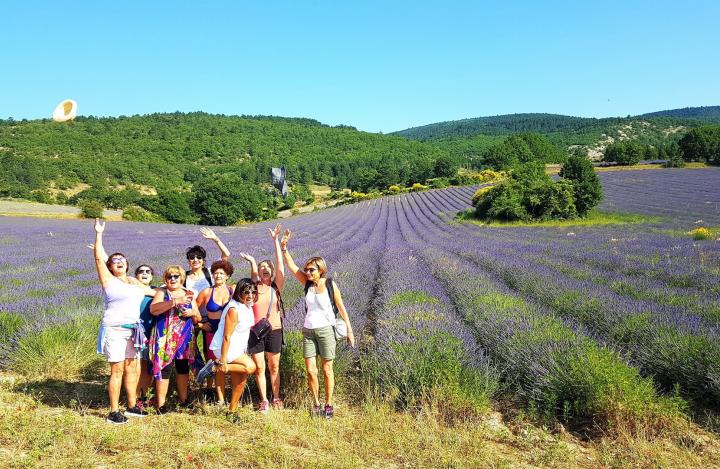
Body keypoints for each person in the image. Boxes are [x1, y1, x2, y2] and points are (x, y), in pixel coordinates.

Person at [280, 230, 355, 418]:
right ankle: (315, 404)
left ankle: (329, 405)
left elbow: (341, 307)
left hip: (326, 331)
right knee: (311, 371)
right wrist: (284, 247)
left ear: (321, 269)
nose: (307, 272)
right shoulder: (307, 284)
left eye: (311, 269)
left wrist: (349, 330)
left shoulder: (330, 284)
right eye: (307, 269)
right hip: (308, 331)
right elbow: (291, 266)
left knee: (327, 369)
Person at [93, 219, 154, 424]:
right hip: (115, 329)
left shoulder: (135, 282)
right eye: (115, 260)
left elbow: (153, 292)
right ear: (111, 266)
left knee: (132, 368)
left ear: (127, 264)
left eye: (122, 259)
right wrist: (99, 234)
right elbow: (99, 260)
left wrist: (179, 296)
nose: (119, 261)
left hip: (133, 330)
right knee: (117, 369)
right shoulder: (109, 280)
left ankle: (131, 405)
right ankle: (113, 411)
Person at [198, 278, 258, 415]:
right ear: (239, 293)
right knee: (250, 367)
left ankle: (232, 410)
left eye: (253, 292)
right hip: (226, 348)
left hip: (238, 347)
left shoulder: (247, 306)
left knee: (241, 378)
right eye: (247, 292)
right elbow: (227, 336)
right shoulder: (234, 309)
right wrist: (223, 360)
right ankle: (215, 367)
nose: (250, 295)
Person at [149, 266, 201, 412]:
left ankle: (183, 400)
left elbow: (198, 318)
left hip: (184, 337)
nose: (172, 279)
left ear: (182, 278)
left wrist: (192, 312)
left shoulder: (189, 294)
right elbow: (153, 309)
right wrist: (175, 301)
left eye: (176, 276)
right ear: (165, 279)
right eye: (169, 276)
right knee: (164, 368)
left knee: (183, 368)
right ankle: (161, 405)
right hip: (165, 336)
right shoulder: (162, 292)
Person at [247, 224, 286, 412]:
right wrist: (253, 262)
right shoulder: (253, 288)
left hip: (274, 330)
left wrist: (275, 240)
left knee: (274, 366)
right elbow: (253, 272)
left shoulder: (276, 287)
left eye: (267, 267)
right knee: (260, 367)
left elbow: (280, 265)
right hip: (255, 331)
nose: (264, 269)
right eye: (261, 267)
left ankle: (276, 397)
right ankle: (264, 400)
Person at [195, 260, 235, 403]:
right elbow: (194, 308)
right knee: (217, 365)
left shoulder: (233, 290)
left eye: (221, 273)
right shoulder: (207, 292)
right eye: (215, 273)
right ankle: (219, 398)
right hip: (212, 333)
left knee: (232, 362)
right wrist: (200, 324)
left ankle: (234, 395)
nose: (218, 275)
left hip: (230, 333)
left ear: (227, 276)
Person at [134, 264, 157, 409]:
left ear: (152, 275)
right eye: (141, 271)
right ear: (136, 275)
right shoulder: (130, 289)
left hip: (152, 333)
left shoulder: (157, 290)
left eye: (148, 271)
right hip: (135, 333)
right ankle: (136, 397)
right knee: (136, 366)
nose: (144, 273)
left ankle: (145, 395)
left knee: (149, 366)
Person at [184, 227, 230, 296]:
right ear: (188, 261)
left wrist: (216, 239)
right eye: (192, 257)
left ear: (203, 260)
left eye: (199, 257)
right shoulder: (183, 276)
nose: (195, 260)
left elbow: (226, 254)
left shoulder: (210, 272)